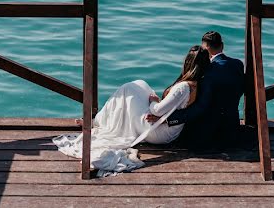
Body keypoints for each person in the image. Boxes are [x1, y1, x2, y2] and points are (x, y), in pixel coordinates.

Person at [53, 46, 210, 176]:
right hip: (167, 128)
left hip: (158, 131)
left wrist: (153, 102)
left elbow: (157, 111)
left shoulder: (183, 87)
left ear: (188, 63)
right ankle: (99, 121)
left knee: (128, 90)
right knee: (138, 85)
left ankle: (97, 122)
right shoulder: (197, 85)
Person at [157, 30, 245, 150]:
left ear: (205, 50)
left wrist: (167, 119)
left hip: (209, 135)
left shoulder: (205, 73)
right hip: (232, 128)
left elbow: (199, 107)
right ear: (222, 45)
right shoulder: (238, 64)